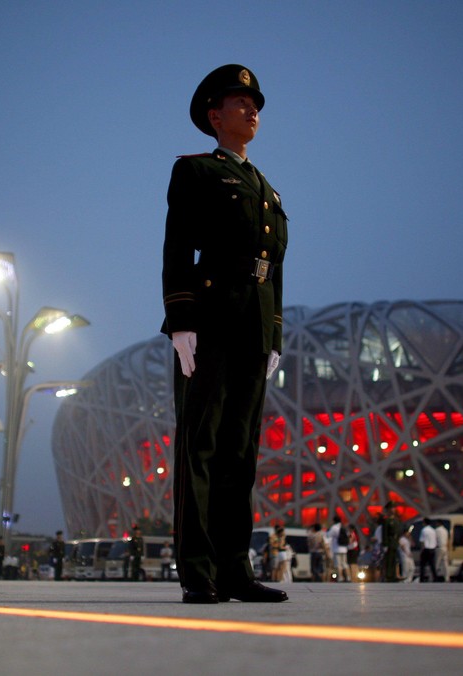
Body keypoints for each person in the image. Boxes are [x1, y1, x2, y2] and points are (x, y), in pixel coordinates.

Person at [162, 64, 288, 605]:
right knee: (202, 446)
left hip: (254, 329)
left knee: (241, 452)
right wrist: (181, 319)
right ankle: (198, 570)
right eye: (241, 102)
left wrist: (275, 333)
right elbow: (176, 247)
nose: (252, 109)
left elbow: (274, 267)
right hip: (210, 320)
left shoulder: (266, 189)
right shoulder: (196, 171)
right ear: (215, 116)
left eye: (255, 102)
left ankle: (236, 568)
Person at [418, 519, 438, 583]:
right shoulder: (433, 530)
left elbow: (422, 541)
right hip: (432, 549)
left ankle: (422, 578)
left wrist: (421, 550)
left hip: (426, 549)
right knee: (432, 565)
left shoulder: (424, 530)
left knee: (422, 565)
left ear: (424, 523)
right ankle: (435, 577)